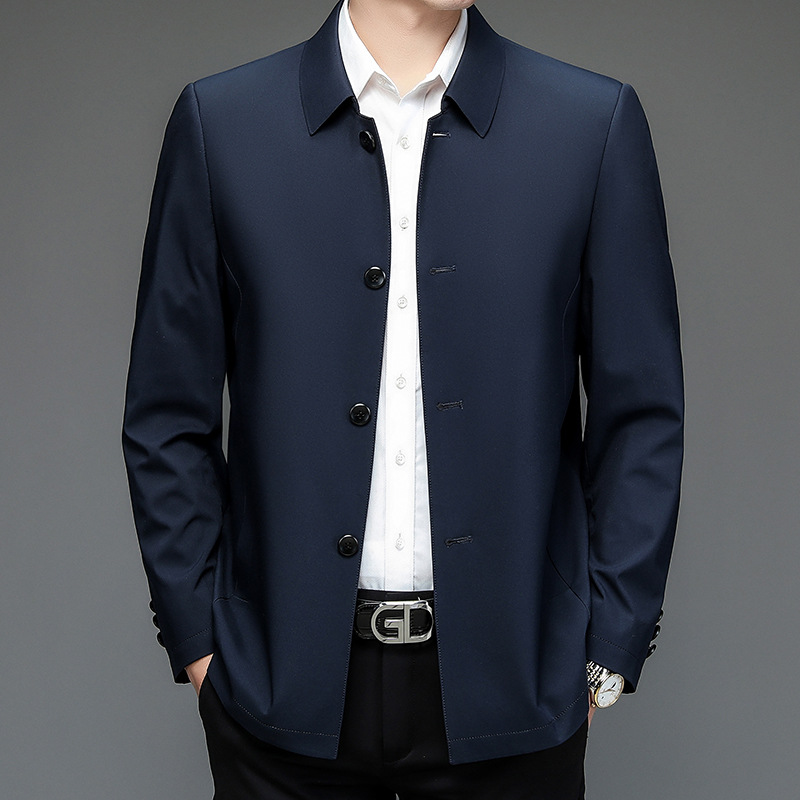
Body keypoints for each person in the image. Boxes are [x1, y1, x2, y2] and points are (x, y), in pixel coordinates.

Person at [122, 0, 683, 796]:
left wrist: (607, 652)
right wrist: (200, 646)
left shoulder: (592, 124)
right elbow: (165, 414)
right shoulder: (222, 122)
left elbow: (642, 416)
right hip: (276, 694)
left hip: (516, 693)